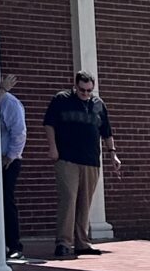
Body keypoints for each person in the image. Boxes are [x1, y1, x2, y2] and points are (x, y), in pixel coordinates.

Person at [44, 71, 123, 259]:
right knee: (69, 198)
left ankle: (82, 242)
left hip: (91, 160)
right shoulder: (61, 99)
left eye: (89, 90)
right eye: (82, 90)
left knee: (85, 202)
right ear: (75, 85)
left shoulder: (98, 104)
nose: (86, 94)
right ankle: (63, 242)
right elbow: (49, 124)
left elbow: (107, 131)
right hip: (67, 158)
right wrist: (52, 148)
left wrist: (113, 154)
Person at [0, 72, 27, 260]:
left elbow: (19, 132)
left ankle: (14, 245)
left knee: (6, 201)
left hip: (7, 161)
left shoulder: (9, 103)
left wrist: (10, 156)